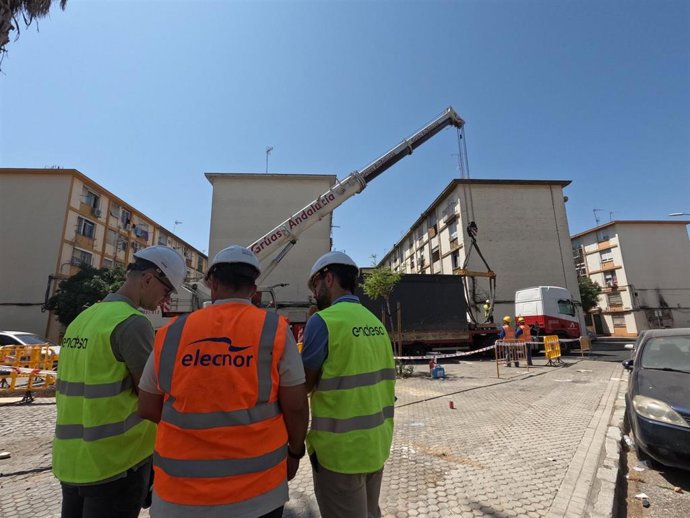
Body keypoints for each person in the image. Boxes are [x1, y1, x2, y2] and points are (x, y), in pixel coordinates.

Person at [137, 245, 309, 518]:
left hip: (178, 496)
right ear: (253, 289)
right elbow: (296, 406)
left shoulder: (171, 333)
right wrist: (295, 452)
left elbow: (147, 406)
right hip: (258, 495)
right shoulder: (273, 329)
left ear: (212, 284)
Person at [53, 245, 186, 518]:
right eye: (166, 290)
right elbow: (151, 396)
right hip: (116, 463)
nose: (165, 299)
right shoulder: (132, 323)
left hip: (72, 461)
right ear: (148, 279)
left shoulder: (84, 318)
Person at [301, 251, 396, 518]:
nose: (314, 293)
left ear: (328, 278)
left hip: (339, 455)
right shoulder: (375, 323)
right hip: (375, 446)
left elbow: (304, 384)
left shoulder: (323, 322)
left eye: (315, 285)